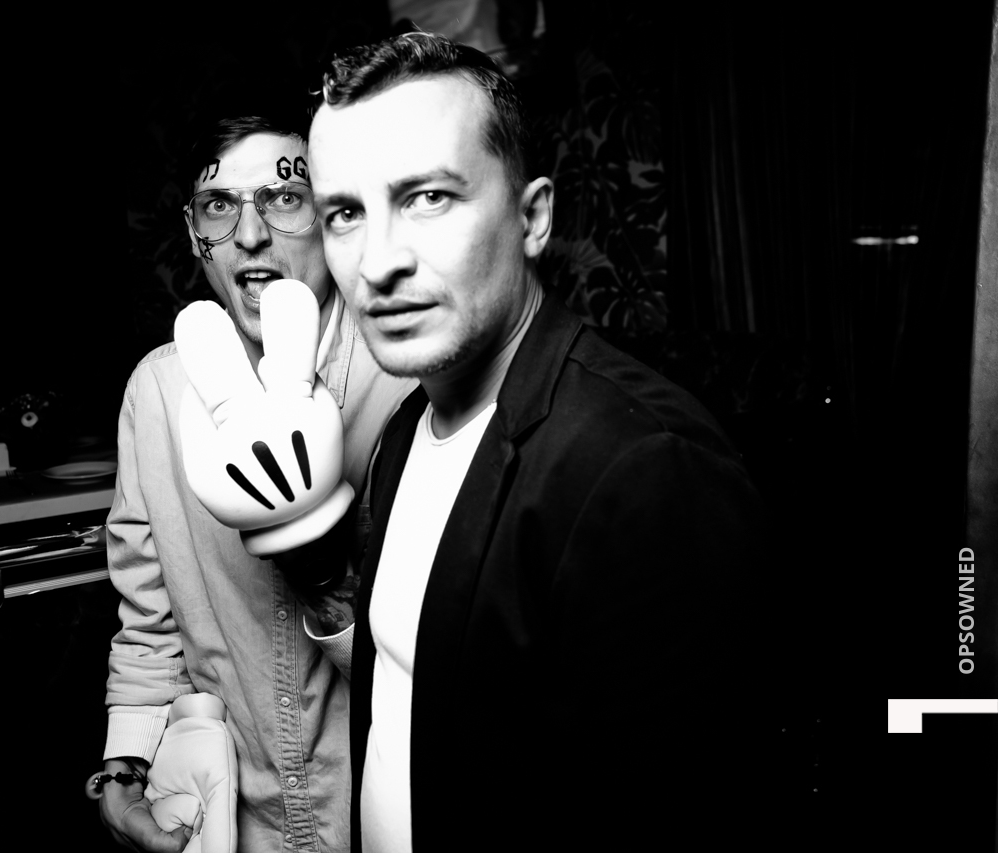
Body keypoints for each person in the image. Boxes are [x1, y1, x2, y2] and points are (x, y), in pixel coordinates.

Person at [307, 33, 773, 851]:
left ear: (534, 217)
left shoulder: (642, 465)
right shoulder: (404, 431)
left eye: (427, 197)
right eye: (345, 213)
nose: (377, 263)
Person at [99, 105, 415, 852]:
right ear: (192, 230)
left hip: (380, 811)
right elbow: (148, 624)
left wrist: (327, 576)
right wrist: (123, 771)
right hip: (232, 821)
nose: (248, 235)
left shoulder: (406, 380)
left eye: (283, 198)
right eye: (219, 205)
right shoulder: (158, 393)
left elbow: (454, 661)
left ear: (333, 215)